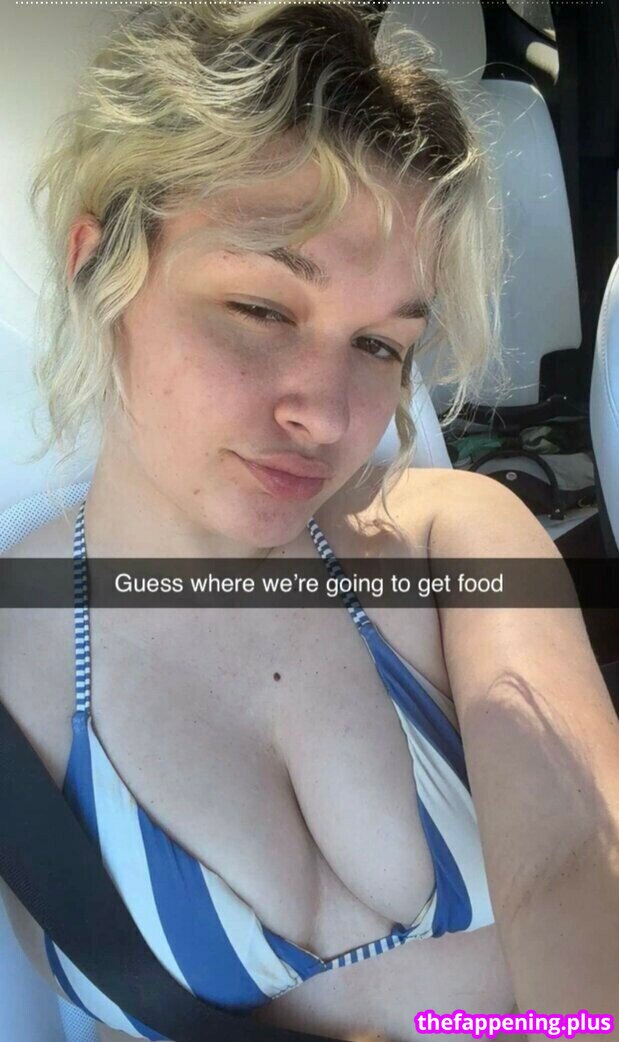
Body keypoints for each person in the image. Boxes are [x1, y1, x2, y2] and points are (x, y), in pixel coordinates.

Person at [1, 4, 617, 1042]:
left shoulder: (451, 541)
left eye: (378, 345)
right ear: (98, 269)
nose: (327, 417)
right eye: (262, 310)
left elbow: (574, 868)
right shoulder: (13, 664)